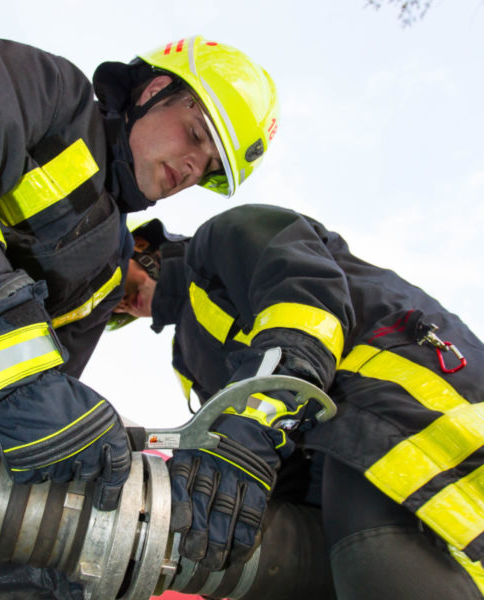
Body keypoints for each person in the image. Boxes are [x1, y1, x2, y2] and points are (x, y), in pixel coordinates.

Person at [0, 36, 278, 600]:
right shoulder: (47, 89)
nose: (193, 166)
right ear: (155, 89)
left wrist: (41, 538)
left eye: (209, 167)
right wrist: (20, 379)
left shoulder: (108, 274)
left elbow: (48, 407)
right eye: (196, 135)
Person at [112, 206, 484, 599]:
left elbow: (306, 302)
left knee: (374, 557)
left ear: (140, 247)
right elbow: (263, 450)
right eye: (113, 309)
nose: (119, 305)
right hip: (329, 450)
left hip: (397, 405)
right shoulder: (186, 355)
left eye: (116, 290)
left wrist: (251, 422)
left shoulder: (224, 236)